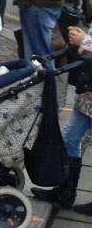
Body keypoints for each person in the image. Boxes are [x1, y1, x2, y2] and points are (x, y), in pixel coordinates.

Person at [31, 23, 92, 215]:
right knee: (70, 139)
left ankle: (65, 192)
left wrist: (84, 40)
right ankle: (65, 192)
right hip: (88, 94)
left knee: (71, 139)